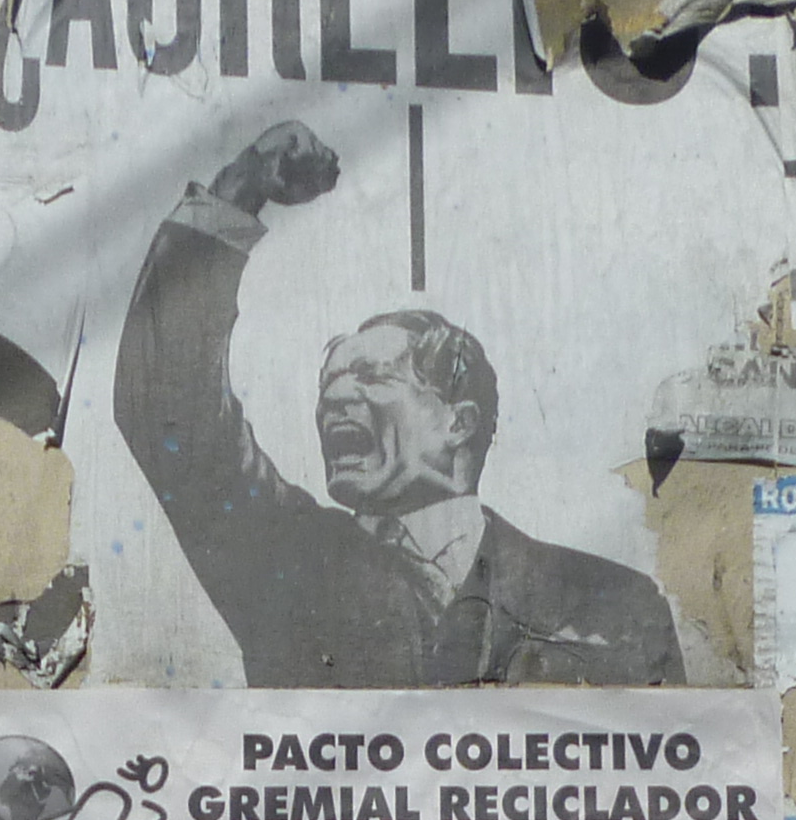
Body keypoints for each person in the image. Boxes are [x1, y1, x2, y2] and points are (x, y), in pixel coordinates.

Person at [115, 120, 682, 687]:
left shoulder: (612, 604)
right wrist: (240, 189)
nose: (336, 397)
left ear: (459, 422)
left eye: (372, 376)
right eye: (328, 384)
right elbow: (171, 411)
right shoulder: (288, 562)